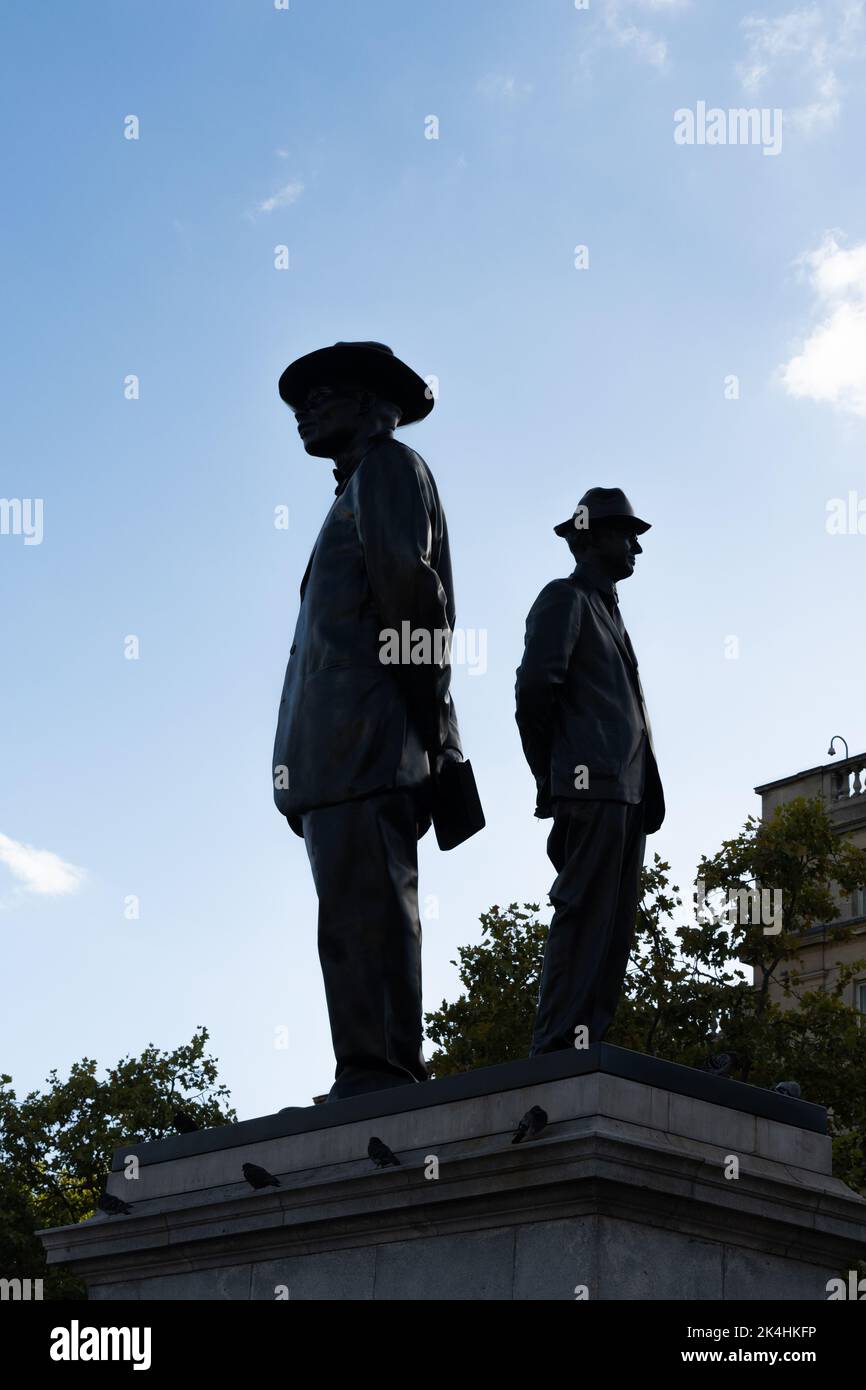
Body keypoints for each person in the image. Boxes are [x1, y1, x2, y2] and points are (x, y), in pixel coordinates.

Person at [273, 341, 463, 1101]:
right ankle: (373, 1066)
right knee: (357, 912)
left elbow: (412, 598)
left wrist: (432, 729)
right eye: (300, 401)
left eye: (323, 394)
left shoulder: (389, 467)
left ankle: (377, 1073)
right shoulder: (356, 489)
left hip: (369, 739)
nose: (305, 409)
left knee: (368, 911)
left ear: (372, 403)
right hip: (347, 747)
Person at [515, 487, 665, 1051]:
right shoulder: (565, 598)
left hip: (628, 795)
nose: (636, 549)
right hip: (591, 788)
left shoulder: (608, 612)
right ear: (593, 536)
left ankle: (585, 1041)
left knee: (614, 927)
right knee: (583, 917)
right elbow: (534, 689)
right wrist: (551, 777)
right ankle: (557, 1045)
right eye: (627, 535)